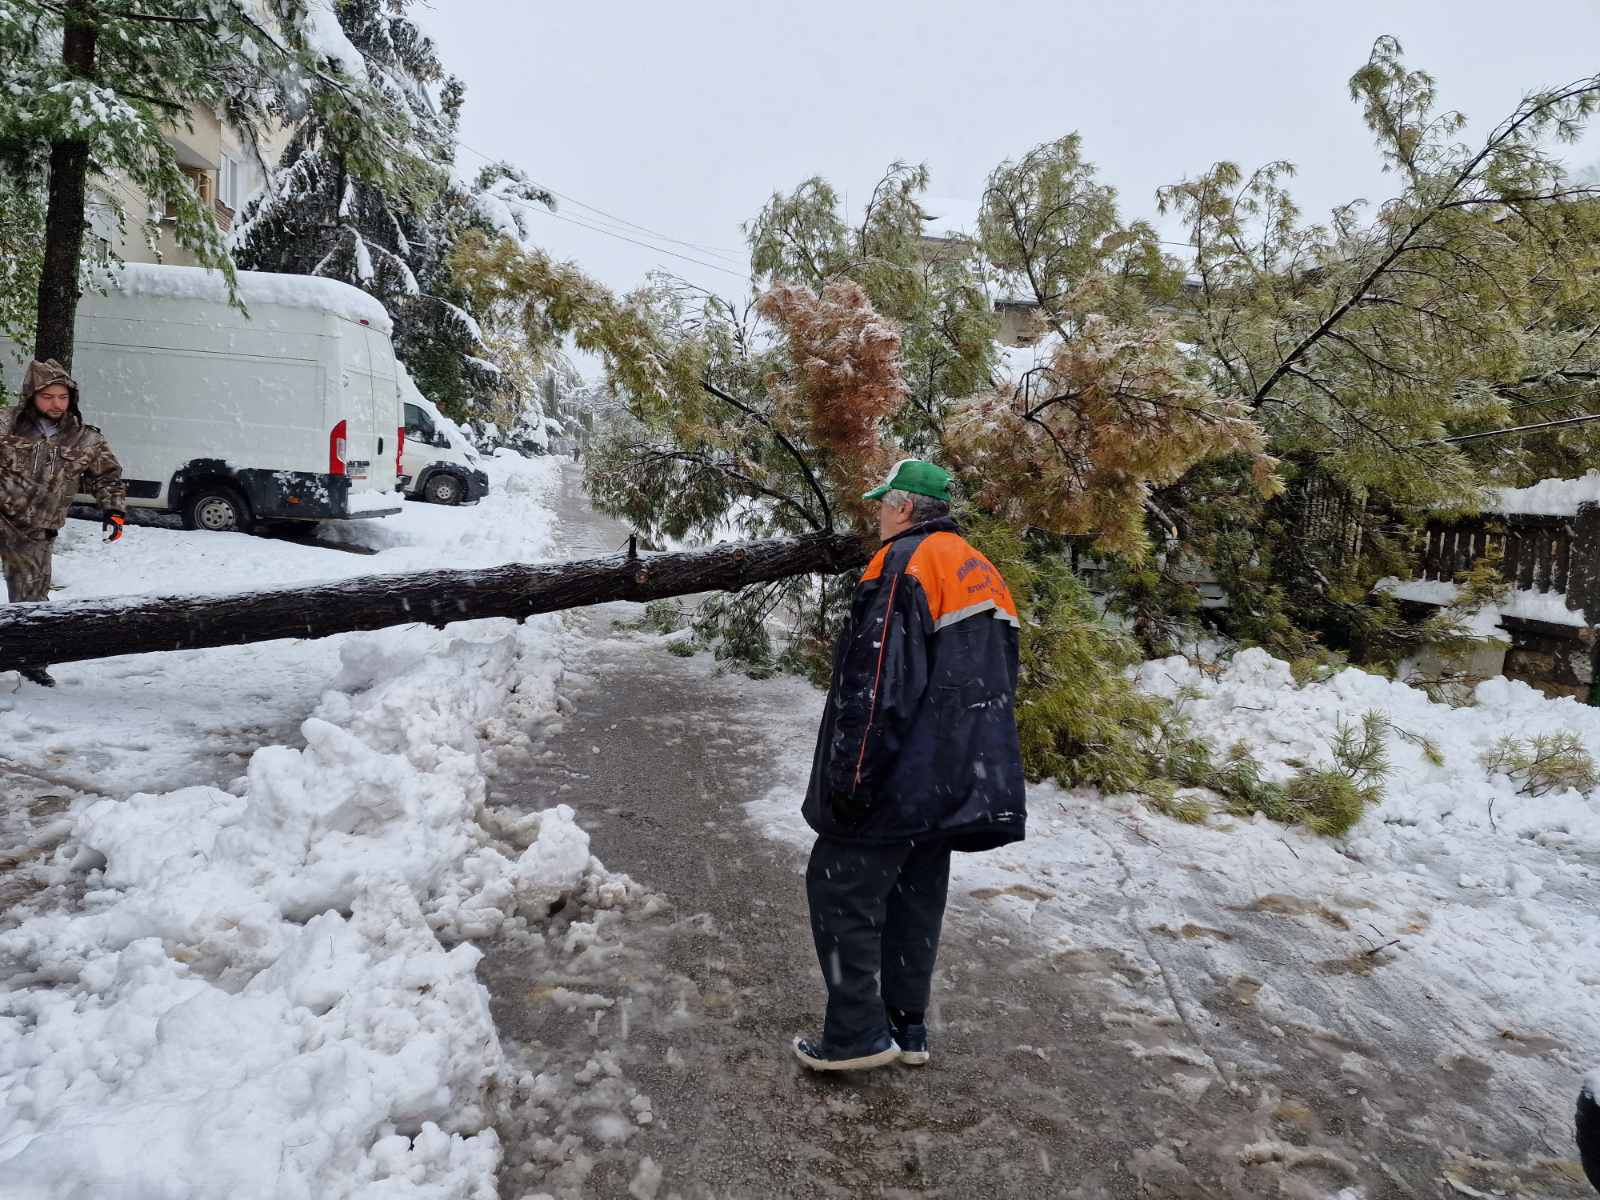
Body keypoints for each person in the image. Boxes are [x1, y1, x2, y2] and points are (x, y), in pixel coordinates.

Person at [794, 458, 1026, 1071]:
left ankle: (854, 1035)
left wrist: (852, 777)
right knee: (916, 895)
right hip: (951, 779)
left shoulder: (900, 565)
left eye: (881, 504)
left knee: (839, 887)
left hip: (897, 774)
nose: (876, 515)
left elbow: (877, 685)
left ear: (902, 507)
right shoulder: (981, 570)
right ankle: (908, 1026)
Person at [0, 359, 126, 686]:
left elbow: (108, 477)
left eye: (63, 397)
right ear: (31, 396)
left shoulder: (85, 439)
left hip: (34, 531)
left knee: (31, 602)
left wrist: (114, 511)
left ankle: (31, 662)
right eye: (48, 397)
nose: (56, 404)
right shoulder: (4, 423)